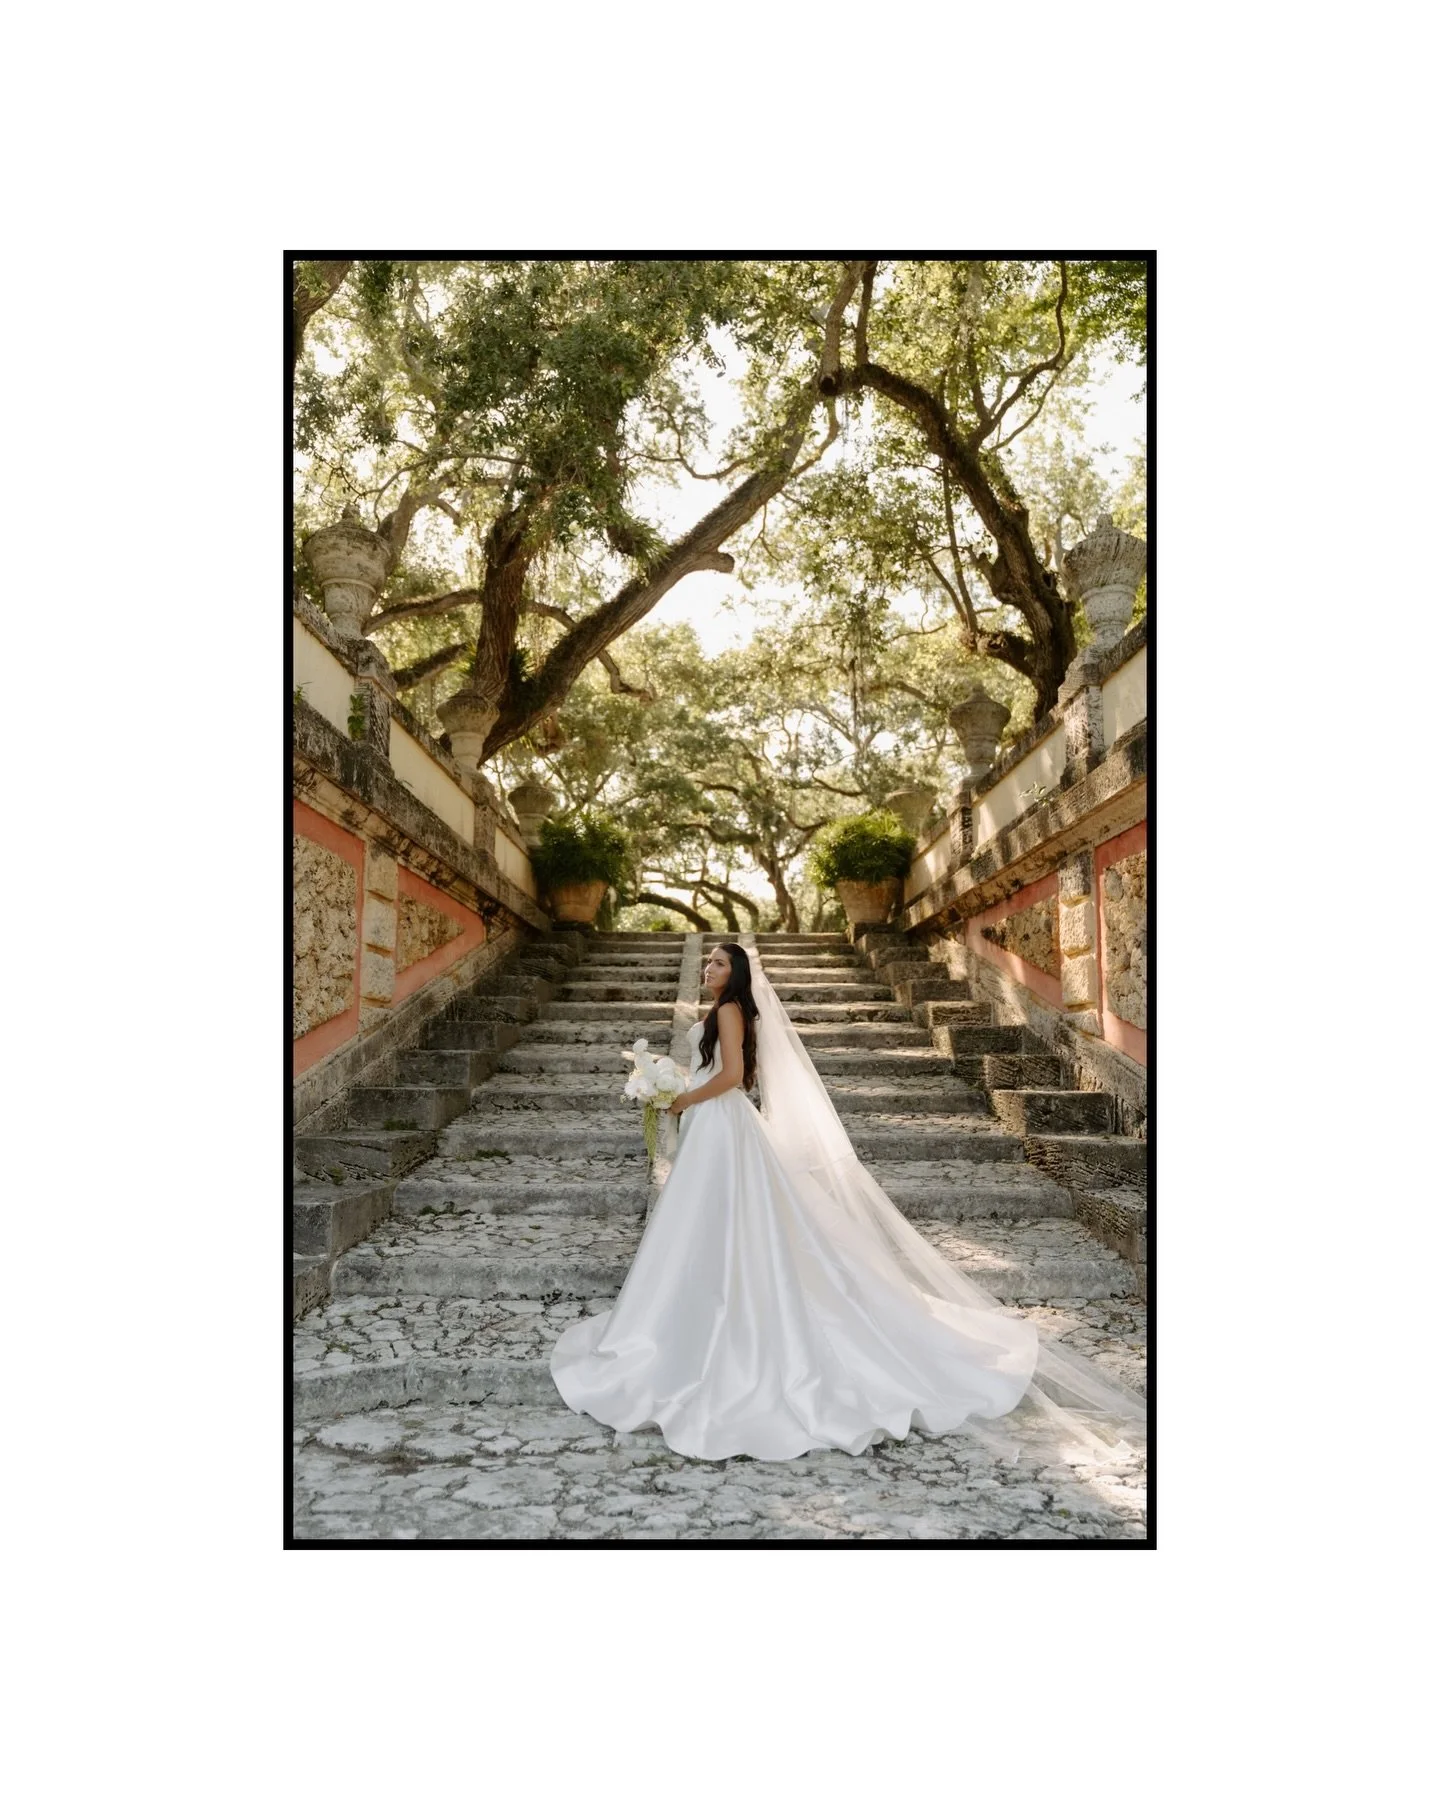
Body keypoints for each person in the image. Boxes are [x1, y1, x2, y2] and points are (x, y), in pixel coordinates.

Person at [550, 938, 1145, 1464]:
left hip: (723, 1123)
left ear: (738, 975)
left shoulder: (730, 1010)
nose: (709, 968)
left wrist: (681, 1099)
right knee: (705, 1223)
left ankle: (723, 1320)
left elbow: (732, 1076)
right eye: (707, 961)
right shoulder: (719, 1009)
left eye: (719, 963)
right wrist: (674, 1088)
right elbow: (719, 1072)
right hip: (714, 1124)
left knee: (727, 1219)